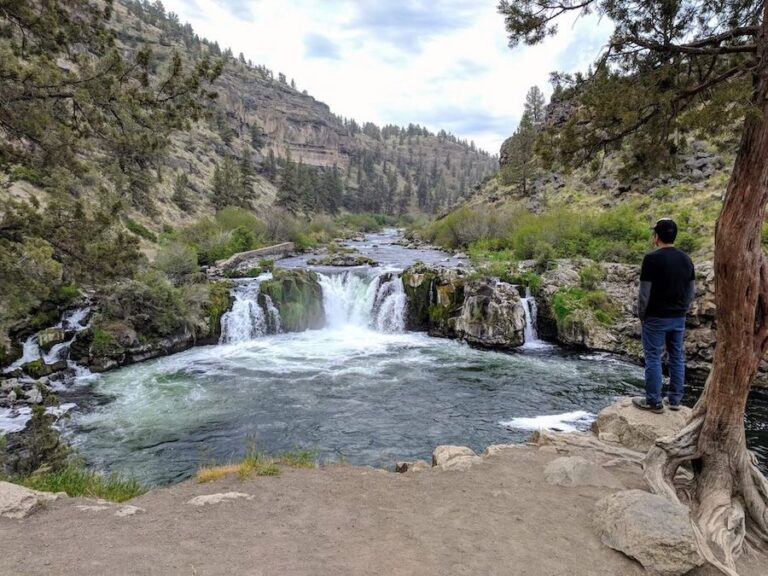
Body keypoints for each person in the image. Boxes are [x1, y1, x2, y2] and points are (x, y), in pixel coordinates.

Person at [633, 218, 696, 414]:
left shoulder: (651, 259)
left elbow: (644, 293)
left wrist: (642, 315)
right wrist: (683, 310)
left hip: (655, 317)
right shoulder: (687, 259)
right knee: (677, 357)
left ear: (657, 237)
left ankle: (654, 401)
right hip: (678, 317)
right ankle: (675, 400)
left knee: (653, 357)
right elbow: (691, 291)